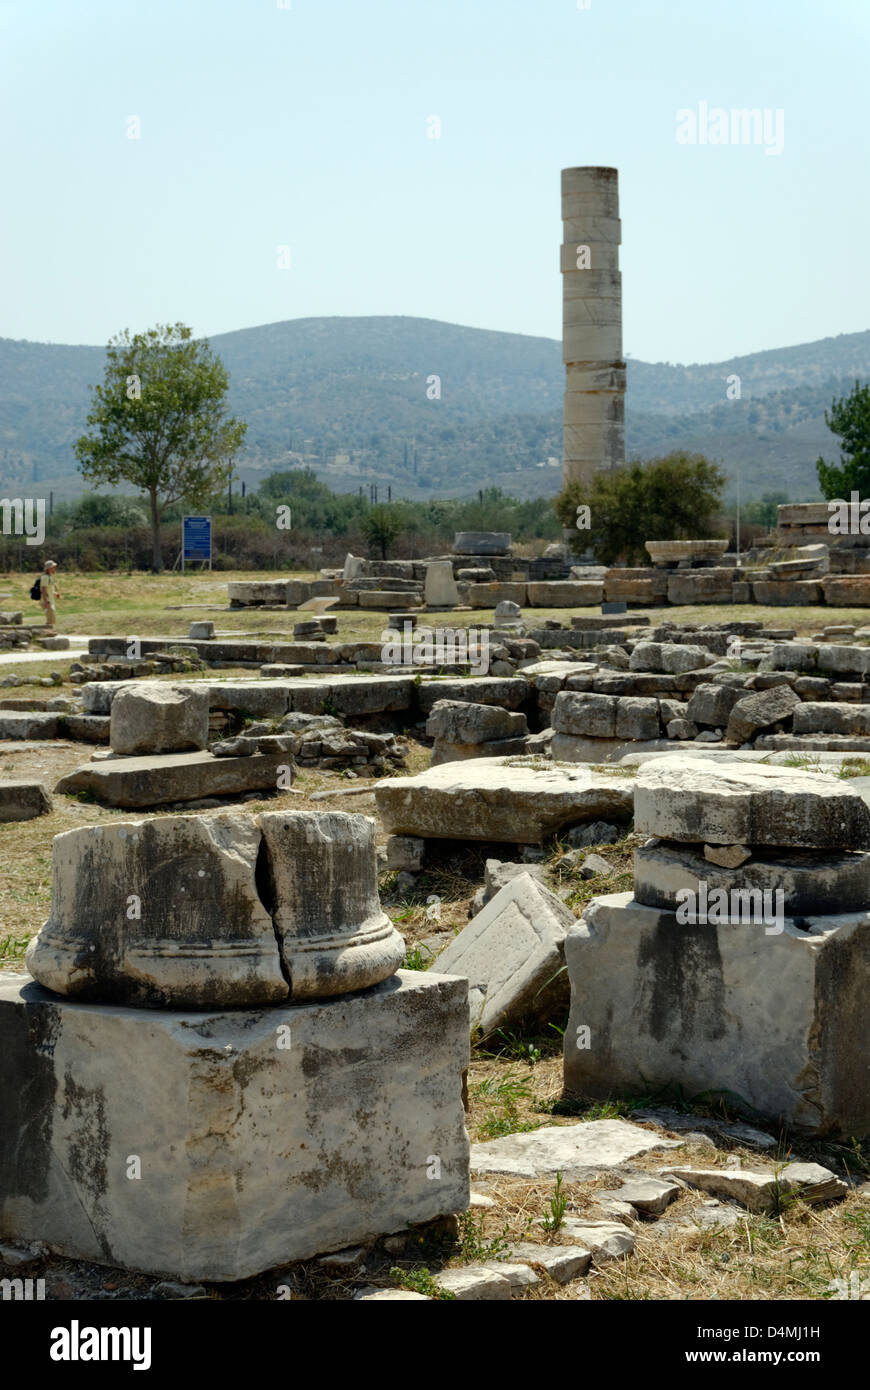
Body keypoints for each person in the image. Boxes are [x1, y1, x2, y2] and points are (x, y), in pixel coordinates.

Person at [40, 560, 60, 630]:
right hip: (47, 602)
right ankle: (44, 633)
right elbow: (43, 590)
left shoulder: (50, 577)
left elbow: (50, 590)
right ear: (49, 568)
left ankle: (47, 633)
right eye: (53, 567)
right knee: (50, 620)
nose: (54, 569)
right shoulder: (45, 577)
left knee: (52, 620)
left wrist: (55, 594)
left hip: (50, 601)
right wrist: (46, 602)